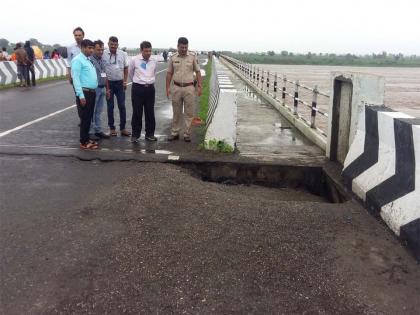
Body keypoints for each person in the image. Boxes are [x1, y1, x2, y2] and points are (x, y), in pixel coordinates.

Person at [166, 37, 202, 142]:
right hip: (176, 87)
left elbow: (198, 72)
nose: (184, 49)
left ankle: (187, 133)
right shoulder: (173, 57)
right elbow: (169, 73)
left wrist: (200, 86)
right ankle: (175, 133)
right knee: (176, 111)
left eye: (186, 47)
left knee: (189, 112)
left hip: (189, 88)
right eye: (182, 47)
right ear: (177, 46)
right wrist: (167, 87)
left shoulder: (192, 57)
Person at [71, 39, 99, 150]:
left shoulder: (88, 60)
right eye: (89, 48)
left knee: (89, 118)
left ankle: (86, 138)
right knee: (85, 118)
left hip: (91, 92)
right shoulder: (78, 60)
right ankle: (83, 141)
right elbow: (76, 78)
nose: (91, 50)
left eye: (92, 48)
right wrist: (80, 95)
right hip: (85, 92)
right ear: (83, 47)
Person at [128, 41, 158, 143]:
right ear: (141, 50)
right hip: (138, 89)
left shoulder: (154, 60)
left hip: (150, 89)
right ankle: (135, 135)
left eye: (150, 51)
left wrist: (148, 82)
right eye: (146, 51)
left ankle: (150, 134)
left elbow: (154, 73)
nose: (148, 53)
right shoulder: (134, 60)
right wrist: (138, 83)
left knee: (150, 112)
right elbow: (130, 73)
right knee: (137, 112)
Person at [104, 36, 130, 137]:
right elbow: (103, 70)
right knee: (110, 107)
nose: (113, 46)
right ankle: (112, 128)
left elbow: (126, 68)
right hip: (109, 84)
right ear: (108, 44)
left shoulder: (123, 54)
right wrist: (106, 87)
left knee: (122, 106)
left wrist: (125, 81)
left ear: (118, 45)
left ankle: (123, 128)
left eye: (115, 45)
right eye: (112, 44)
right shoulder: (104, 54)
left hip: (120, 83)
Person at [89, 40, 110, 140]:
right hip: (93, 89)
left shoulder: (102, 60)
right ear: (93, 49)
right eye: (98, 49)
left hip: (102, 88)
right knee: (92, 111)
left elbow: (105, 75)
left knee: (99, 111)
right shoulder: (90, 60)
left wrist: (107, 89)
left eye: (102, 49)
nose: (101, 51)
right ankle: (91, 131)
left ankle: (98, 130)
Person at [67, 27, 84, 124]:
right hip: (75, 76)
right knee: (79, 97)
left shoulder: (87, 46)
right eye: (75, 35)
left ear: (83, 36)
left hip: (86, 76)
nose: (77, 37)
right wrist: (69, 73)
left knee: (88, 98)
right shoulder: (70, 47)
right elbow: (69, 61)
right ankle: (82, 119)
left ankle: (88, 118)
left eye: (79, 35)